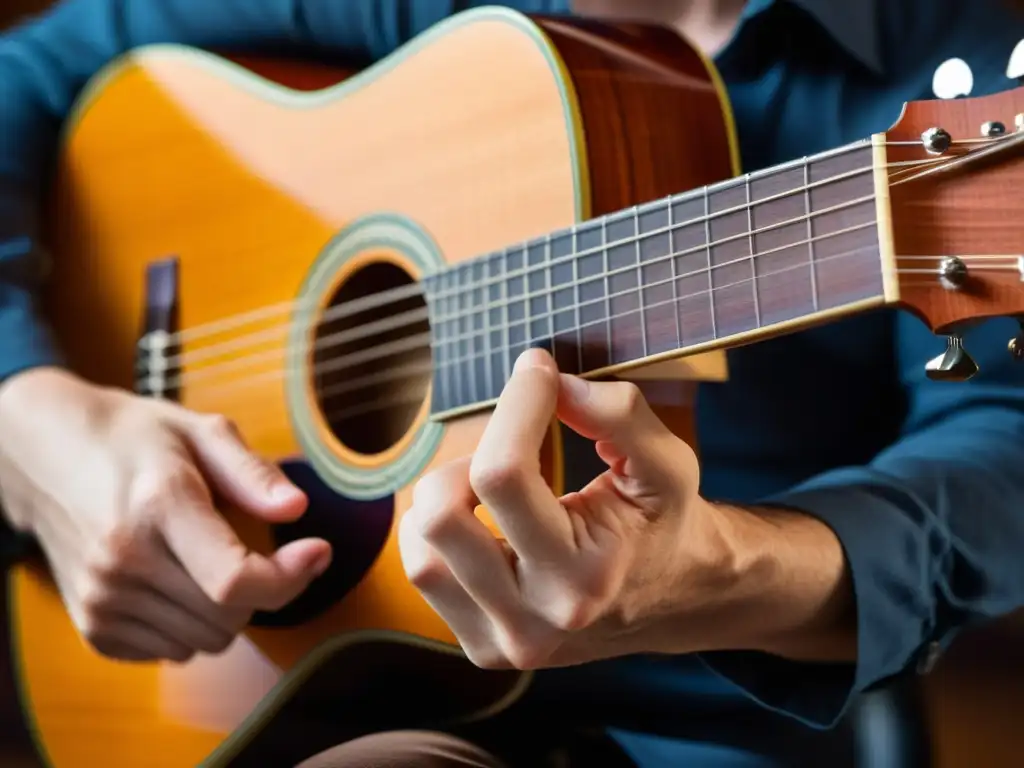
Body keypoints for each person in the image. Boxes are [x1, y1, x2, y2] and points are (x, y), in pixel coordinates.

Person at [2, 0, 1024, 766]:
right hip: (273, 695)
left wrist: (716, 569)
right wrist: (30, 417)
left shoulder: (961, 73)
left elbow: (1000, 465)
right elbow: (23, 80)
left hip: (682, 733)